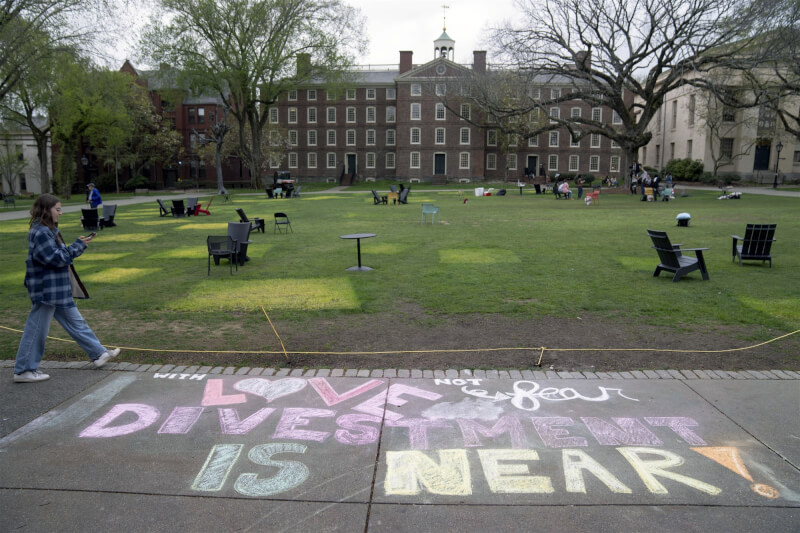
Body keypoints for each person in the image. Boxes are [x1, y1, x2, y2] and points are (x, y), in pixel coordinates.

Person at [13, 194, 119, 383]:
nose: (60, 213)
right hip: (47, 291)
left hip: (57, 289)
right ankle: (23, 371)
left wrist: (78, 246)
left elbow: (59, 256)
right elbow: (56, 259)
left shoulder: (48, 230)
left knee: (77, 322)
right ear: (47, 210)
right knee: (37, 329)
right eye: (58, 209)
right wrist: (78, 246)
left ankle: (98, 353)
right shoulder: (41, 232)